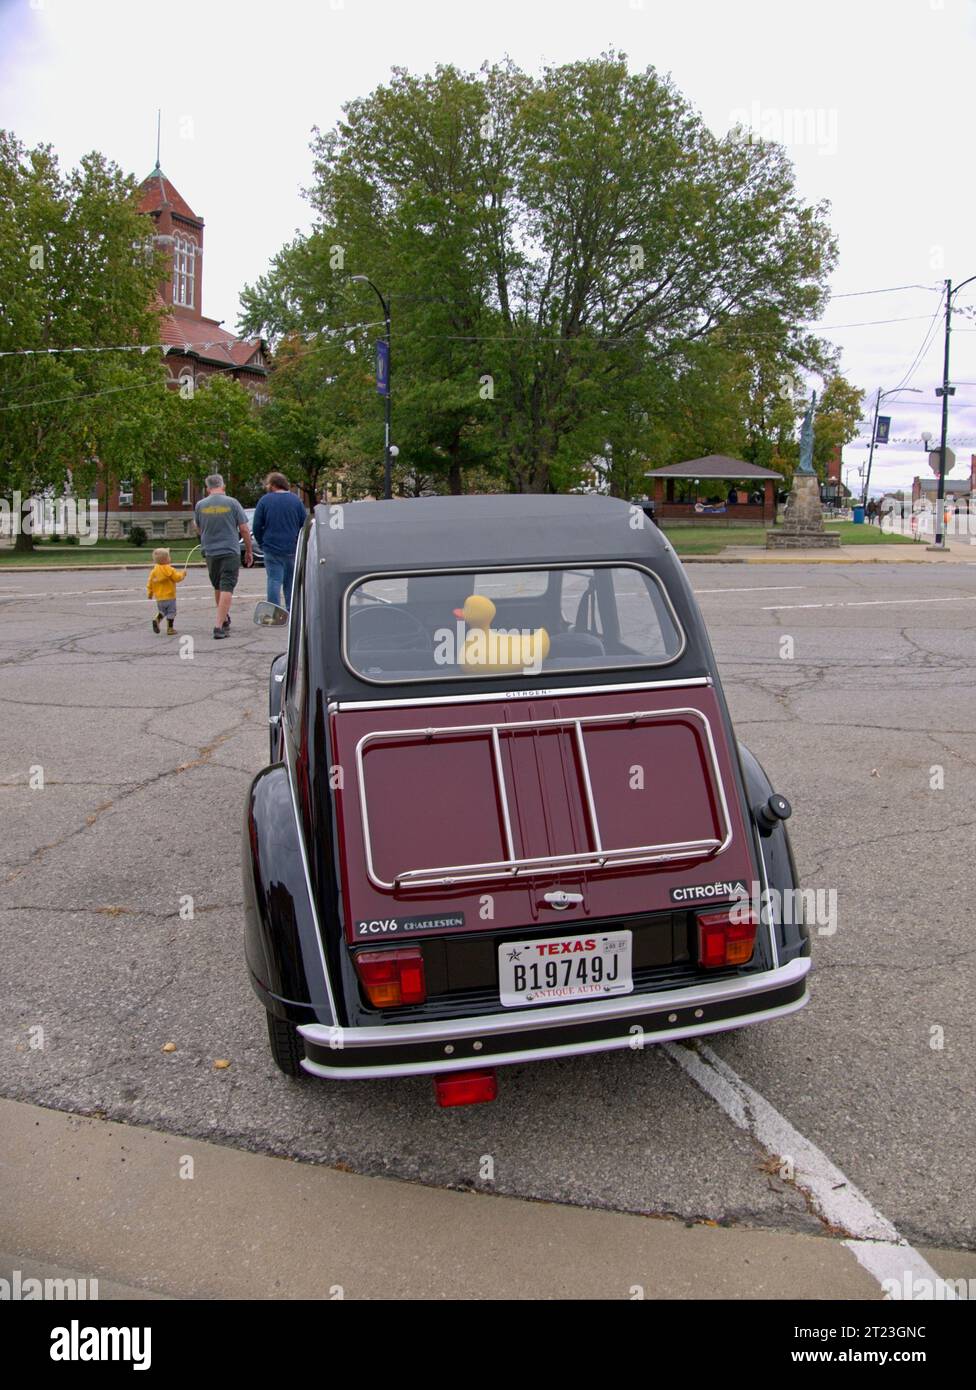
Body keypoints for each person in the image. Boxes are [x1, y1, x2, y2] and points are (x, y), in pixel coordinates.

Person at [194, 474, 253, 640]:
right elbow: (244, 529)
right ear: (223, 486)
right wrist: (248, 551)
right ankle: (218, 626)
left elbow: (198, 527)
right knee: (227, 586)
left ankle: (224, 617)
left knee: (218, 586)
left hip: (210, 552)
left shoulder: (200, 505)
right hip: (229, 550)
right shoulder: (232, 503)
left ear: (208, 488)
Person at [251, 472, 307, 611]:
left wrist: (261, 542)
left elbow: (257, 525)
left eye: (268, 484)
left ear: (274, 485)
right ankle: (291, 609)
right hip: (292, 547)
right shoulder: (296, 501)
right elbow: (304, 524)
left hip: (271, 546)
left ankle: (274, 611)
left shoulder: (265, 501)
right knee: (290, 581)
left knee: (274, 580)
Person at [146, 548, 186, 635]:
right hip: (170, 597)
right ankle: (170, 629)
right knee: (171, 612)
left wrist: (150, 593)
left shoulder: (153, 571)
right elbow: (177, 578)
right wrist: (183, 574)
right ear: (166, 559)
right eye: (169, 556)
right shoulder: (169, 569)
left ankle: (157, 619)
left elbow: (150, 583)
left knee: (162, 612)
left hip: (159, 598)